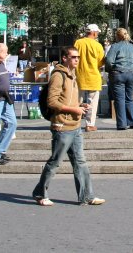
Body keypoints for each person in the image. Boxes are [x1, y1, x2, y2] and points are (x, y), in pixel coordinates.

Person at [32, 47, 105, 207]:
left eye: (78, 57)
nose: (77, 60)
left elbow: (67, 99)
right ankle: (39, 193)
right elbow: (52, 101)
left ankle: (87, 195)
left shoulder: (72, 75)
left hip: (75, 125)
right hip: (62, 125)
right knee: (55, 162)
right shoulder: (58, 76)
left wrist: (79, 105)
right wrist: (74, 109)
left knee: (80, 161)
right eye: (73, 57)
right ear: (64, 58)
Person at [105, 28, 133, 130]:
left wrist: (109, 70)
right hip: (132, 74)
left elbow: (109, 61)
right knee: (129, 98)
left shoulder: (115, 46)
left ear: (117, 36)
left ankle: (122, 124)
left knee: (119, 99)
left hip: (118, 73)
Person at [74, 24, 105, 132]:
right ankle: (90, 124)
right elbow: (101, 62)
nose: (97, 34)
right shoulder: (98, 46)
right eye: (97, 33)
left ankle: (75, 122)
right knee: (92, 102)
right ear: (94, 33)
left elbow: (73, 56)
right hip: (93, 76)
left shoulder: (78, 43)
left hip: (79, 75)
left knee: (76, 101)